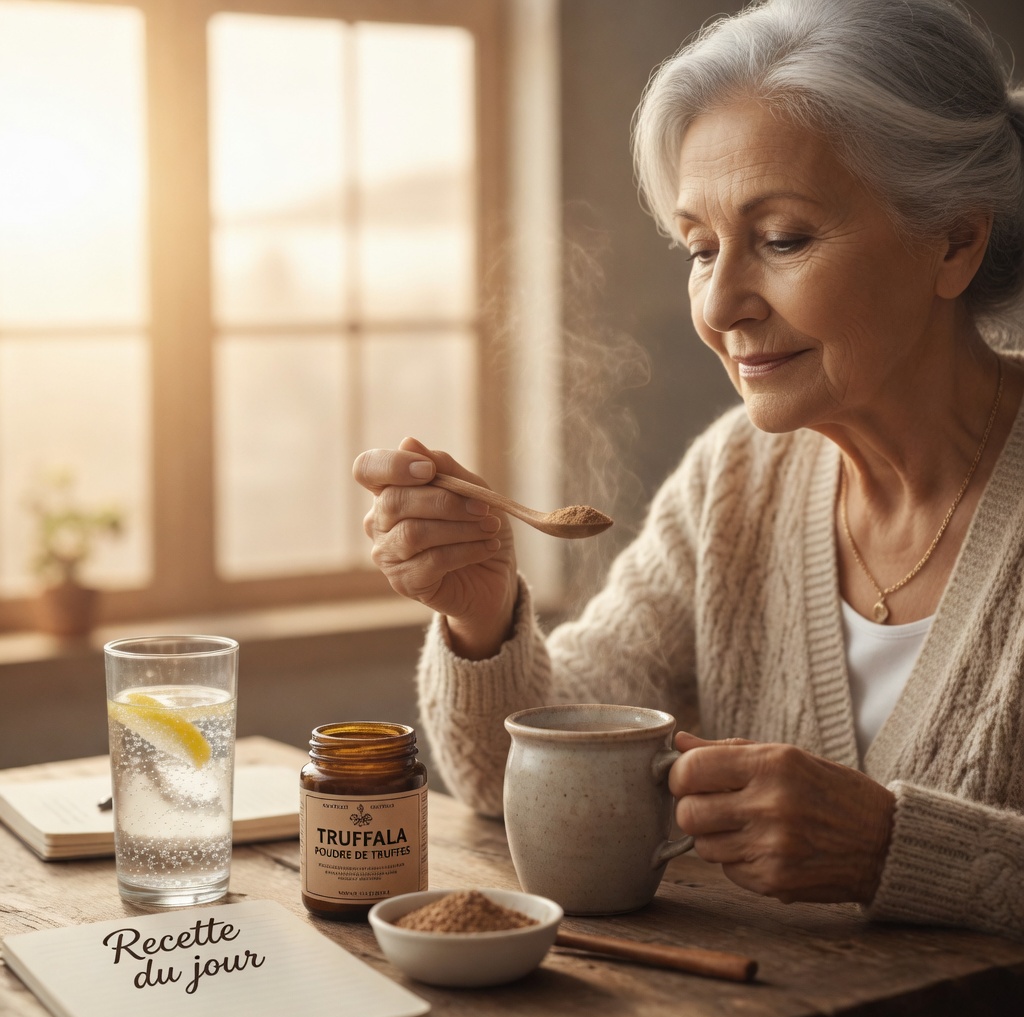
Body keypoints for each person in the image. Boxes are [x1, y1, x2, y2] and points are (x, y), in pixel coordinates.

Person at [353, 0, 1024, 940]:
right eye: (701, 249)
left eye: (783, 239)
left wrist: (892, 850)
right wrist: (478, 610)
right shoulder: (736, 479)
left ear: (955, 240)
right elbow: (514, 780)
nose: (719, 304)